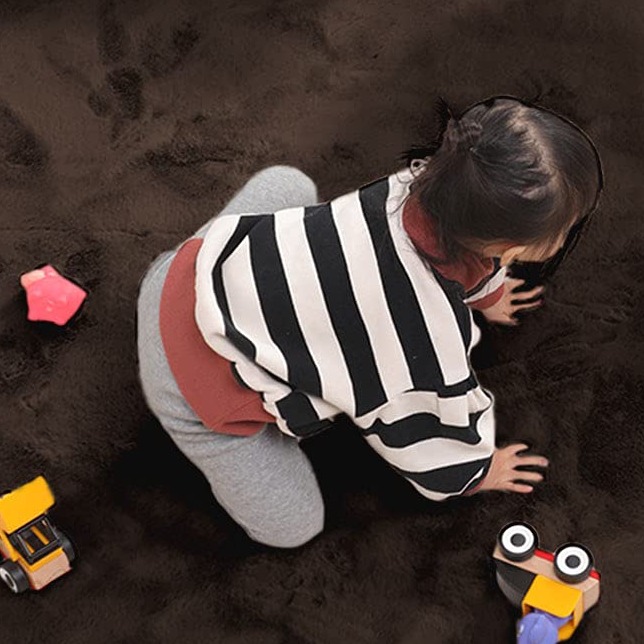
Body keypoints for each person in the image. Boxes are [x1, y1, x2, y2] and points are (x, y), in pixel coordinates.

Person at [135, 96, 603, 547]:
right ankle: (196, 429)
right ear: (514, 249)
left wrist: (488, 294)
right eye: (564, 229)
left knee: (287, 183)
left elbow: (471, 259)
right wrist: (476, 472)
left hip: (188, 272)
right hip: (195, 386)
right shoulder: (419, 339)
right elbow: (421, 432)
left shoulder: (417, 186)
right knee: (294, 526)